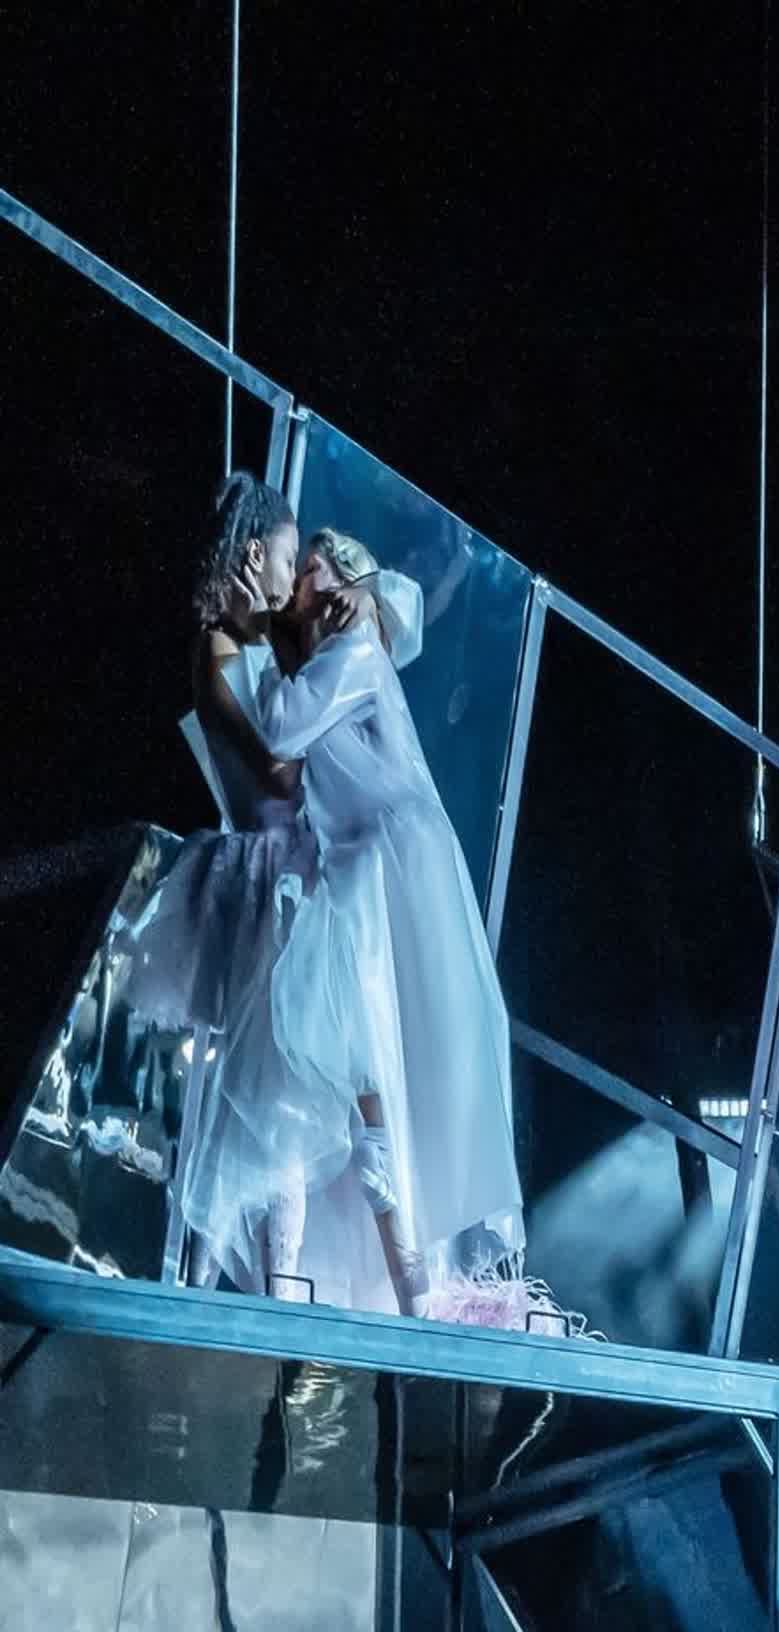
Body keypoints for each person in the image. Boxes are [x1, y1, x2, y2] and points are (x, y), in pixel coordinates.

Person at [117, 477, 393, 1312]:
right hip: (263, 885)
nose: (293, 570)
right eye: (285, 553)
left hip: (295, 881)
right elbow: (275, 769)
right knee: (260, 1101)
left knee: (295, 1099)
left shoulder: (260, 643)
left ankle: (272, 1291)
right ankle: (217, 1292)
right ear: (251, 555)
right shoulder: (219, 650)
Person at [252, 528, 524, 1301]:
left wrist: (253, 640)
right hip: (370, 860)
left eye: (309, 568)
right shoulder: (334, 657)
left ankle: (421, 1281)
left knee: (392, 1058)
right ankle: (409, 1281)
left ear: (341, 581)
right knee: (377, 1063)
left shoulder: (356, 653)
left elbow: (279, 727)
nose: (297, 580)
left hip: (390, 861)